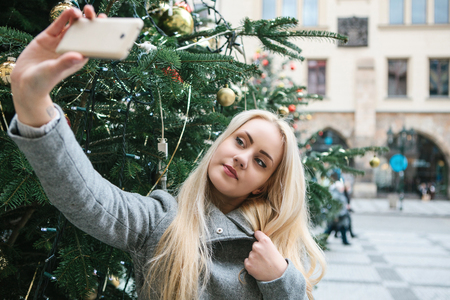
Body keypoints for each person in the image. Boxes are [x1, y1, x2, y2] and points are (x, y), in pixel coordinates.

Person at [7, 5, 326, 300]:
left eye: (260, 161)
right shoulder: (161, 220)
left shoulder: (272, 253)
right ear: (221, 144)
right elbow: (86, 196)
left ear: (264, 184)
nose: (242, 157)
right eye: (240, 141)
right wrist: (32, 102)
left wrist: (279, 280)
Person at [323, 180, 351, 245]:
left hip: (341, 216)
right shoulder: (336, 195)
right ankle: (323, 239)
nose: (343, 189)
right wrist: (336, 216)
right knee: (330, 228)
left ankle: (345, 241)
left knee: (341, 228)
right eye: (342, 188)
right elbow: (334, 207)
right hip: (337, 216)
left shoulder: (339, 193)